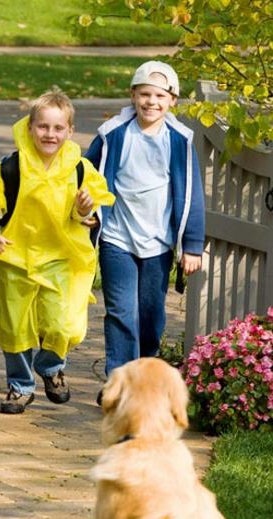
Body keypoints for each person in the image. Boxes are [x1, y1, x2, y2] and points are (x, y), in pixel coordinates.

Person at [0, 91, 115, 414]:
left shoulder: (80, 170)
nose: (50, 134)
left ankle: (50, 366)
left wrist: (83, 210)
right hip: (14, 259)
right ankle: (20, 386)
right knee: (16, 327)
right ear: (30, 127)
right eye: (43, 127)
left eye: (58, 128)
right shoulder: (11, 169)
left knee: (65, 325)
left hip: (62, 259)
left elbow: (88, 218)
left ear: (70, 131)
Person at [85, 61, 205, 376]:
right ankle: (119, 382)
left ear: (172, 101)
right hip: (117, 237)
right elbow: (84, 174)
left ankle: (143, 374)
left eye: (160, 96)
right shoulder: (114, 134)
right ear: (133, 95)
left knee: (151, 316)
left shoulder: (179, 140)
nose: (152, 102)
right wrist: (85, 210)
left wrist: (192, 244)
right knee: (121, 312)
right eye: (145, 94)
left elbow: (192, 193)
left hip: (159, 242)